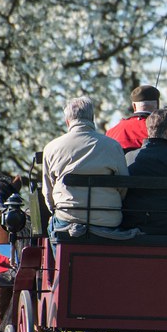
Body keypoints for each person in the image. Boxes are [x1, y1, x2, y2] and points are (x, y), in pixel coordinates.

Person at [42, 96, 129, 238]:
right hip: (108, 220)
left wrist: (55, 209)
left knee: (52, 224)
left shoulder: (52, 147)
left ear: (67, 121)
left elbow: (48, 191)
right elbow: (123, 185)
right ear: (92, 119)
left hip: (67, 218)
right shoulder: (113, 146)